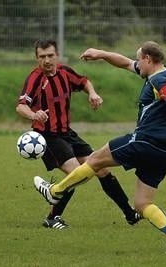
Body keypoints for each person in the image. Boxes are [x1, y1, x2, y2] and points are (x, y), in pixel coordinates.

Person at [33, 41, 166, 253]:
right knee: (142, 204)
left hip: (144, 141)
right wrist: (101, 53)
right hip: (163, 151)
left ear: (147, 58)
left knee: (95, 159)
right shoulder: (162, 72)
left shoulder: (160, 80)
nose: (137, 63)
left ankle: (55, 191)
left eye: (139, 59)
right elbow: (126, 63)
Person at [16, 39, 141, 229]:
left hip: (67, 133)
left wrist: (92, 93)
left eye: (50, 55)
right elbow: (21, 106)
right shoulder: (35, 78)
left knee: (102, 170)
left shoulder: (65, 72)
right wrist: (34, 114)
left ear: (57, 55)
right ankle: (51, 216)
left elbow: (83, 82)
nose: (47, 60)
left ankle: (130, 214)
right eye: (42, 57)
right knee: (76, 174)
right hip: (48, 136)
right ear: (37, 58)